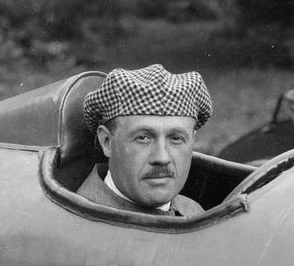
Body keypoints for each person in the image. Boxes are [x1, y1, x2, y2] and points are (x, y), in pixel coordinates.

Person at [77, 64, 212, 217]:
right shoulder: (77, 225)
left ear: (193, 140)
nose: (162, 158)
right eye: (143, 138)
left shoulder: (193, 211)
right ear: (107, 142)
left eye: (176, 138)